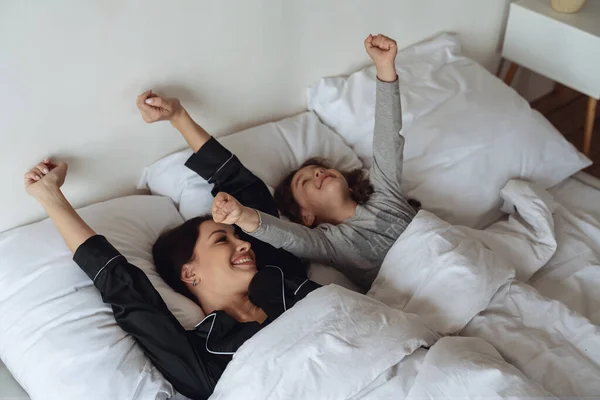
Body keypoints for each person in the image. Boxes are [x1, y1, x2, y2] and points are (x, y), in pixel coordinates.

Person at [23, 89, 320, 400]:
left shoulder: (282, 276)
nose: (244, 245)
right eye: (222, 239)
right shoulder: (205, 358)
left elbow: (245, 190)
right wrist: (51, 198)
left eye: (239, 237)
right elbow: (128, 293)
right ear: (190, 274)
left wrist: (179, 118)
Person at [211, 34, 417, 291]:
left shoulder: (384, 193)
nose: (319, 174)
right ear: (306, 216)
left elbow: (388, 137)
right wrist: (240, 215)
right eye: (305, 181)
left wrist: (385, 67)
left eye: (320, 170)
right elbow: (282, 235)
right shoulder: (330, 244)